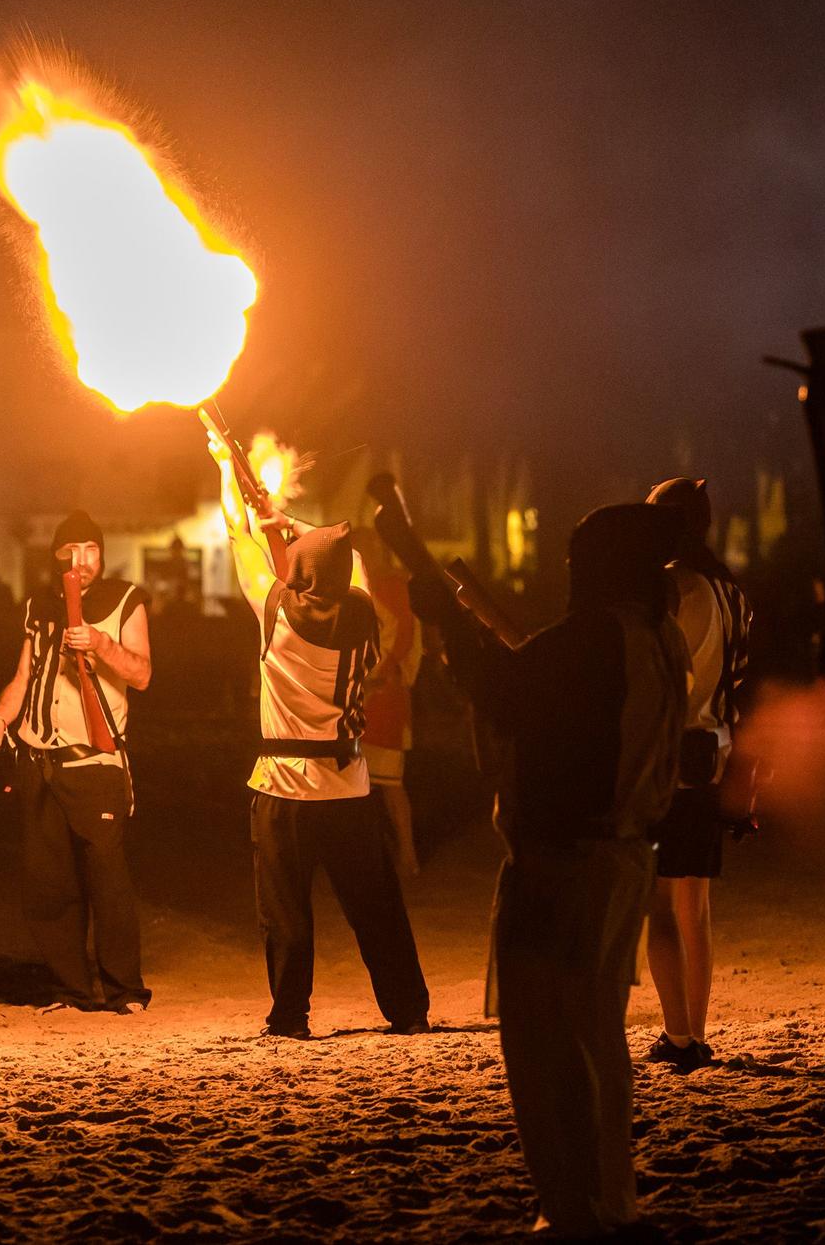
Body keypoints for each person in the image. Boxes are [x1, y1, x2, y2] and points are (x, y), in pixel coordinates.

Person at [414, 503, 688, 1237]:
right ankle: (606, 1199)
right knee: (594, 1037)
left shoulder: (597, 638)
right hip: (617, 860)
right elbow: (528, 681)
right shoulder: (653, 634)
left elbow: (503, 691)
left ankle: (577, 1207)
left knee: (550, 1046)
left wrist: (445, 617)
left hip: (566, 866)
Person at [209, 440, 429, 1039]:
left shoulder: (275, 613)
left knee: (284, 914)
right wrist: (292, 524)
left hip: (283, 787)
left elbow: (237, 536)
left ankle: (289, 1017)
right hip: (349, 783)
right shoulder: (361, 610)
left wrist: (227, 471)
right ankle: (409, 1009)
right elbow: (345, 554)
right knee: (375, 906)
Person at [0, 511, 153, 1014]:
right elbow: (24, 676)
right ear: (57, 558)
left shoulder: (125, 599)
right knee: (49, 884)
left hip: (94, 762)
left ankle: (125, 992)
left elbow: (141, 673)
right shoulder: (39, 606)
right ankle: (71, 990)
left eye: (91, 549)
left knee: (108, 881)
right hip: (39, 758)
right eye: (71, 550)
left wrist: (100, 643)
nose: (83, 560)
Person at [641, 477, 752, 1071]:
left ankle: (678, 1035)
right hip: (717, 753)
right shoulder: (732, 593)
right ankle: (697, 1031)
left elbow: (656, 676)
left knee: (660, 903)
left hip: (669, 761)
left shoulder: (674, 589)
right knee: (697, 906)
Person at [351, 526, 423, 883]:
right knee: (358, 783)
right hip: (361, 696)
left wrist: (382, 670)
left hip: (386, 696)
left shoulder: (393, 587)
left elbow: (404, 636)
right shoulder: (352, 589)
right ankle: (372, 859)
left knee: (390, 784)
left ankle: (407, 855)